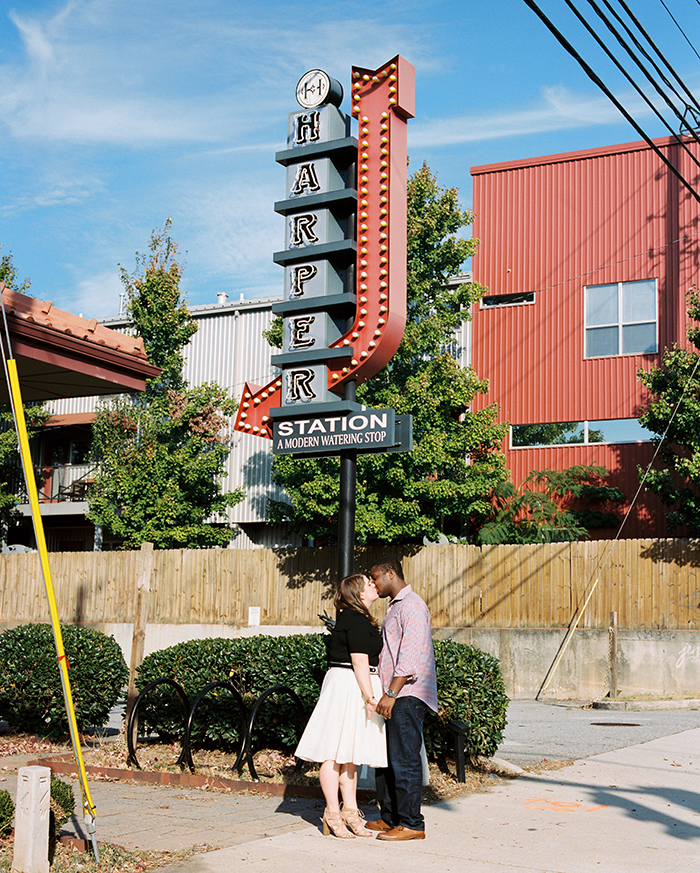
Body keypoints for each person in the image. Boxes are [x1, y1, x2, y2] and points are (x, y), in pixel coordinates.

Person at [295, 573, 387, 839]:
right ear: (359, 593)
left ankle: (350, 810)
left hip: (353, 683)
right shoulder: (355, 620)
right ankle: (332, 812)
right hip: (349, 684)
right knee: (333, 752)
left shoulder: (357, 618)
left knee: (350, 755)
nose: (373, 585)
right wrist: (371, 698)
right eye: (368, 583)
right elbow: (359, 662)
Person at [366, 558, 438, 841]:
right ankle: (390, 818)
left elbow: (409, 656)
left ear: (390, 574)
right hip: (393, 695)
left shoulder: (412, 605)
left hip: (405, 695)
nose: (373, 584)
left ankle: (412, 823)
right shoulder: (395, 606)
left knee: (404, 759)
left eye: (375, 578)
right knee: (386, 760)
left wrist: (391, 693)